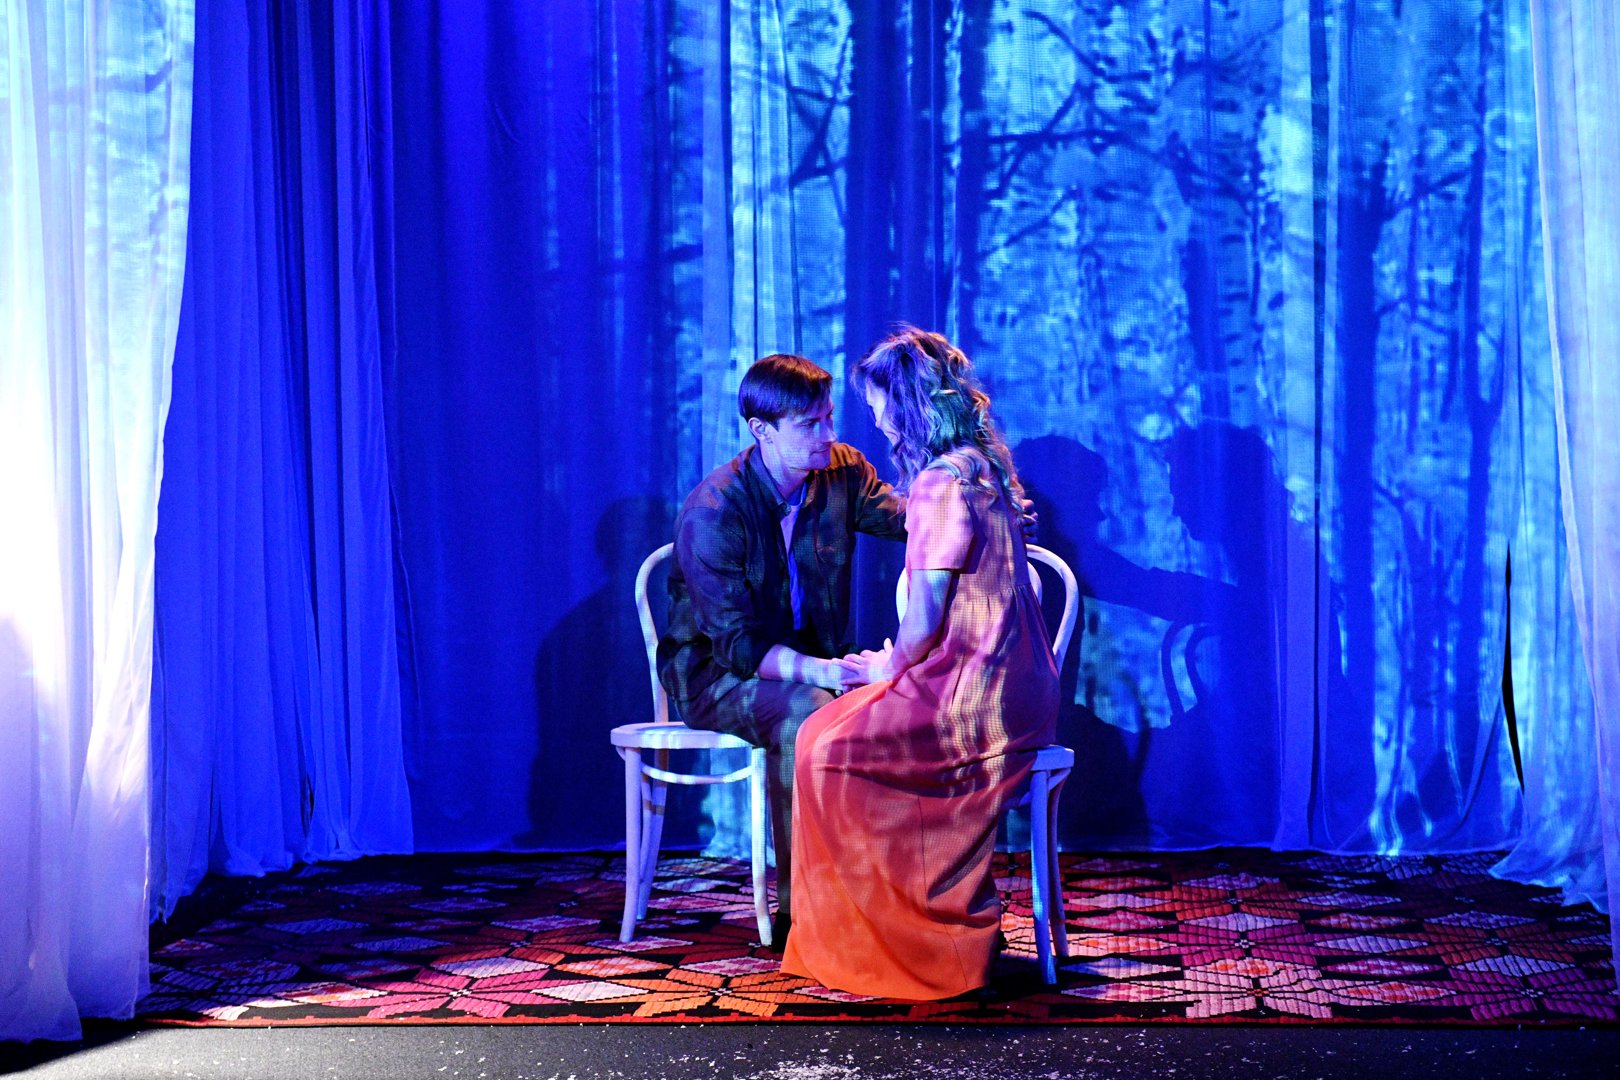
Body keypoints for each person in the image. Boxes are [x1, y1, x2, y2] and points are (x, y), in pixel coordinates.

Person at [781, 327, 1059, 1000]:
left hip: (974, 687)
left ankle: (913, 941)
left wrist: (886, 667)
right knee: (825, 731)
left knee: (827, 747)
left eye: (878, 404)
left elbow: (926, 619)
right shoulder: (983, 467)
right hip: (1017, 681)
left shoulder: (940, 483)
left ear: (905, 405)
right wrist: (892, 664)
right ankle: (894, 922)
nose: (874, 420)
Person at [656, 353, 908, 947]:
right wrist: (825, 672)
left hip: (809, 664)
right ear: (761, 430)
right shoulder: (714, 511)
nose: (828, 434)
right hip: (716, 676)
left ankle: (892, 897)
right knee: (807, 712)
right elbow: (738, 646)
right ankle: (808, 913)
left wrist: (984, 512)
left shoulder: (841, 472)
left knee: (901, 703)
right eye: (809, 424)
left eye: (829, 418)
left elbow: (909, 521)